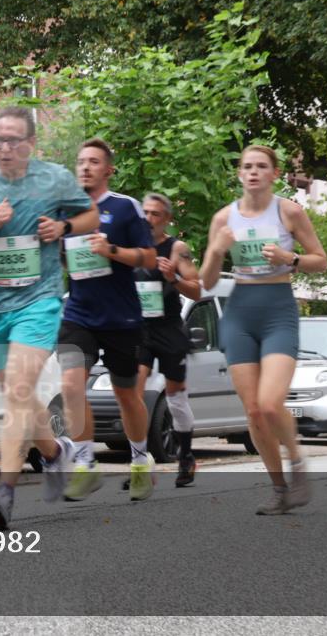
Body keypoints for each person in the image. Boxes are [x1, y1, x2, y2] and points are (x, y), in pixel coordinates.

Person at [0, 107, 99, 528]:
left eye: (14, 140)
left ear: (31, 143)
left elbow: (91, 215)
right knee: (19, 395)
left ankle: (5, 492)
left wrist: (63, 229)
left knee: (16, 389)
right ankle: (55, 453)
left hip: (39, 301)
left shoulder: (54, 179)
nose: (5, 148)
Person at [198, 145, 327, 515]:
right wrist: (217, 251)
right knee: (254, 411)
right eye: (247, 166)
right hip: (239, 313)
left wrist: (291, 258)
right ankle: (279, 489)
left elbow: (321, 261)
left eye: (261, 166)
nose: (253, 172)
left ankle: (297, 463)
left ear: (274, 173)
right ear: (240, 174)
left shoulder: (290, 212)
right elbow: (207, 282)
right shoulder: (223, 218)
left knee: (271, 404)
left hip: (278, 311)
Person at [56, 139, 158, 501]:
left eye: (94, 162)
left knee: (126, 395)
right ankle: (85, 463)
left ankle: (140, 460)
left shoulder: (125, 207)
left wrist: (110, 250)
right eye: (81, 161)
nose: (85, 167)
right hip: (78, 314)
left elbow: (148, 258)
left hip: (121, 318)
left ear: (108, 170)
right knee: (71, 386)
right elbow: (61, 257)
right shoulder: (66, 210)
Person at [134, 192, 203, 488]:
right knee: (132, 393)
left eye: (156, 214)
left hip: (169, 328)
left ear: (167, 219)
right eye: (145, 213)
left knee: (175, 397)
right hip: (138, 329)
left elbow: (197, 290)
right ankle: (139, 461)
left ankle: (185, 454)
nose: (149, 219)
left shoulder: (177, 249)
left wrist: (173, 278)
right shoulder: (131, 245)